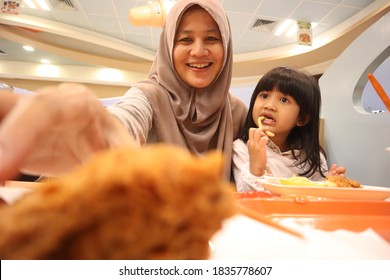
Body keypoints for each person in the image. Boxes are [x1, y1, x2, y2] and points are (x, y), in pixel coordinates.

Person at [0, 0, 247, 182]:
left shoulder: (236, 112)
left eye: (212, 39)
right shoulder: (149, 96)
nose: (198, 51)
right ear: (167, 47)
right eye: (185, 40)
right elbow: (127, 118)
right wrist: (97, 130)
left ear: (226, 45)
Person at [232, 66, 345, 192]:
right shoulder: (242, 148)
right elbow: (246, 199)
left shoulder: (313, 157)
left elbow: (316, 200)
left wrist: (328, 185)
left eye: (283, 100)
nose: (269, 105)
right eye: (264, 96)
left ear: (302, 118)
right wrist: (256, 168)